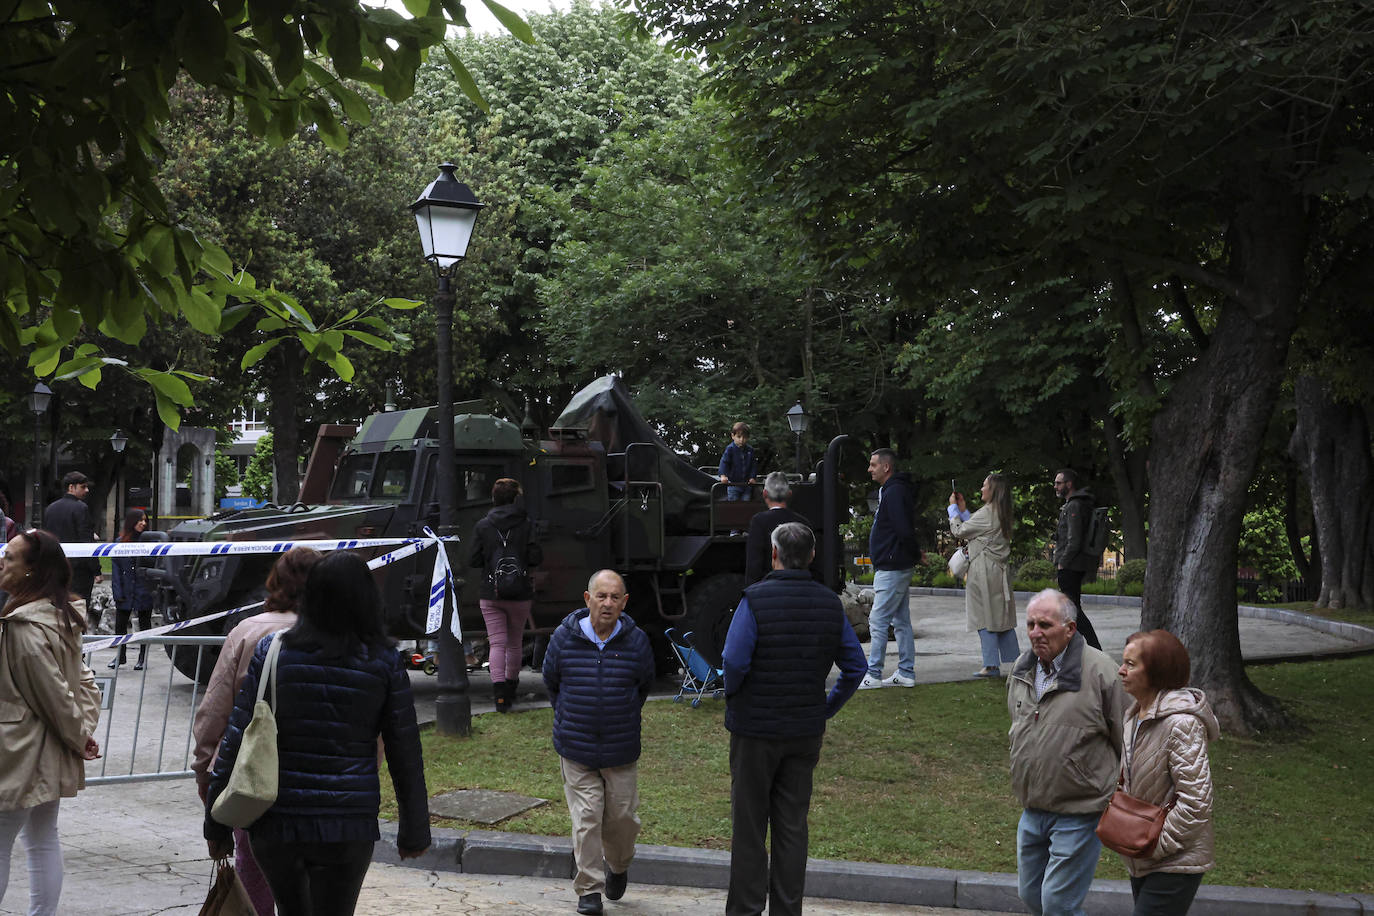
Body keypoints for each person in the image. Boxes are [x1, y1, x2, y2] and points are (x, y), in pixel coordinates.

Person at [203, 551, 430, 916]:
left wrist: (215, 824)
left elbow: (237, 736)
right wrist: (414, 830)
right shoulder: (384, 662)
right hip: (348, 823)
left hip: (278, 822)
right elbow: (405, 750)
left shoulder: (273, 651)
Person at [721, 522, 867, 916]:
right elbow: (855, 667)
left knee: (750, 826)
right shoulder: (828, 604)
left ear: (773, 555)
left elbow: (733, 661)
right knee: (791, 827)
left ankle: (746, 909)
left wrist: (734, 693)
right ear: (812, 556)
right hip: (804, 730)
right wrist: (826, 708)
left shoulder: (754, 599)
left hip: (754, 728)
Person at [192, 546, 322, 916]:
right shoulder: (342, 635)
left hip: (249, 770)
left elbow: (216, 707)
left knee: (254, 865)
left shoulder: (248, 631)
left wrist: (205, 767)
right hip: (315, 773)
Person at [0, 528, 102, 915]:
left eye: (9, 557)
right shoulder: (58, 617)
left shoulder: (25, 626)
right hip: (46, 747)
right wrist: (82, 733)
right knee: (41, 838)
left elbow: (58, 694)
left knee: (8, 841)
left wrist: (79, 736)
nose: (2, 563)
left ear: (31, 571)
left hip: (20, 751)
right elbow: (82, 685)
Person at [542, 569, 655, 916]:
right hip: (576, 746)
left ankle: (617, 866)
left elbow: (643, 686)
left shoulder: (636, 641)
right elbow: (551, 681)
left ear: (624, 603)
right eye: (601, 596)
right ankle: (589, 890)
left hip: (620, 748)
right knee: (587, 816)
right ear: (587, 599)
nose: (607, 603)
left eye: (614, 597)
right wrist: (572, 716)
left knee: (622, 819)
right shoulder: (564, 637)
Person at [1007, 588, 1126, 916]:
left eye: (1044, 624)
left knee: (1058, 904)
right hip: (1033, 808)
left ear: (1070, 629)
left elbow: (1127, 739)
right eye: (1030, 624)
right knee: (1031, 896)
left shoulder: (1101, 671)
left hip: (1080, 810)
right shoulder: (1022, 668)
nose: (1035, 632)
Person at [1114, 630, 1219, 915]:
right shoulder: (1135, 715)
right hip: (1142, 854)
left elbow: (1197, 802)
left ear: (1158, 671)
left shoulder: (1181, 724)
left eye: (1131, 664)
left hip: (1174, 859)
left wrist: (1156, 845)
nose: (1121, 671)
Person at [469, 477, 543, 713]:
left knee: (497, 643)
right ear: (515, 498)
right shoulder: (526, 523)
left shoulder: (483, 525)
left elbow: (473, 559)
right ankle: (511, 688)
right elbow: (535, 557)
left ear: (494, 498)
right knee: (514, 643)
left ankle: (499, 696)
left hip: (491, 592)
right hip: (520, 593)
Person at [949, 473, 1019, 678]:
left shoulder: (988, 512)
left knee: (984, 616)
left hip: (983, 571)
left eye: (984, 485)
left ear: (993, 490)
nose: (981, 489)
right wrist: (963, 510)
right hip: (998, 571)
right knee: (1002, 617)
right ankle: (1016, 661)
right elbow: (978, 527)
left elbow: (960, 531)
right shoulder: (1001, 512)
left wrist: (953, 511)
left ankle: (990, 665)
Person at [861, 447, 918, 689]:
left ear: (886, 467)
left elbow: (902, 528)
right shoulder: (892, 490)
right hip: (896, 563)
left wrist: (911, 554)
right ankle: (905, 672)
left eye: (873, 465)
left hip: (893, 566)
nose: (869, 469)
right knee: (901, 620)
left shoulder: (894, 492)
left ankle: (873, 674)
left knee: (878, 619)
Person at [41, 471, 102, 630]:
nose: (87, 490)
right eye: (83, 487)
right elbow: (86, 542)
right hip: (79, 571)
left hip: (55, 568)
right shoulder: (81, 508)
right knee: (78, 612)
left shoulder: (50, 509)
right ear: (71, 487)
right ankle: (76, 651)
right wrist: (96, 570)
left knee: (56, 611)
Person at [1052, 468, 1101, 650]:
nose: (1055, 486)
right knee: (1072, 609)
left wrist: (1063, 561)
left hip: (1071, 565)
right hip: (1074, 563)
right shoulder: (1077, 504)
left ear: (1069, 484)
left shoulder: (1074, 506)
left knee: (1073, 610)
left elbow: (1074, 539)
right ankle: (1080, 647)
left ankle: (1094, 647)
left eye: (1059, 483)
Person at [744, 472, 816, 585]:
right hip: (801, 586)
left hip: (769, 588)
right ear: (789, 494)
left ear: (764, 493)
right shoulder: (804, 522)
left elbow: (754, 564)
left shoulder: (758, 521)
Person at [108, 508, 155, 670]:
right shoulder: (119, 542)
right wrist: (117, 592)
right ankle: (120, 656)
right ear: (131, 521)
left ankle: (142, 657)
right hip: (126, 589)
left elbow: (154, 564)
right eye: (140, 520)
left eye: (145, 520)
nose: (143, 523)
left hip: (143, 588)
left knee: (144, 624)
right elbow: (116, 570)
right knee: (120, 624)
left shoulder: (150, 541)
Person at [718, 421, 758, 501]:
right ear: (733, 436)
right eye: (739, 437)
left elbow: (753, 465)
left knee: (746, 503)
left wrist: (752, 477)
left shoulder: (750, 450)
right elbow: (724, 462)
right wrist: (723, 475)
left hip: (746, 485)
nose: (742, 440)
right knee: (734, 504)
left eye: (744, 437)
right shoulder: (730, 449)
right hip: (733, 484)